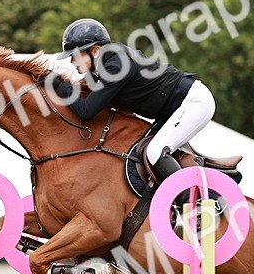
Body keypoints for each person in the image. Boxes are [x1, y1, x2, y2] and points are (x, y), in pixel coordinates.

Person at [52, 19, 216, 198]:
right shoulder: (105, 65)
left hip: (193, 102)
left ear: (95, 50)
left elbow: (86, 111)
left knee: (155, 152)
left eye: (75, 55)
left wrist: (61, 86)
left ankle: (192, 203)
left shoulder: (116, 65)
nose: (71, 61)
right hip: (174, 109)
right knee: (139, 152)